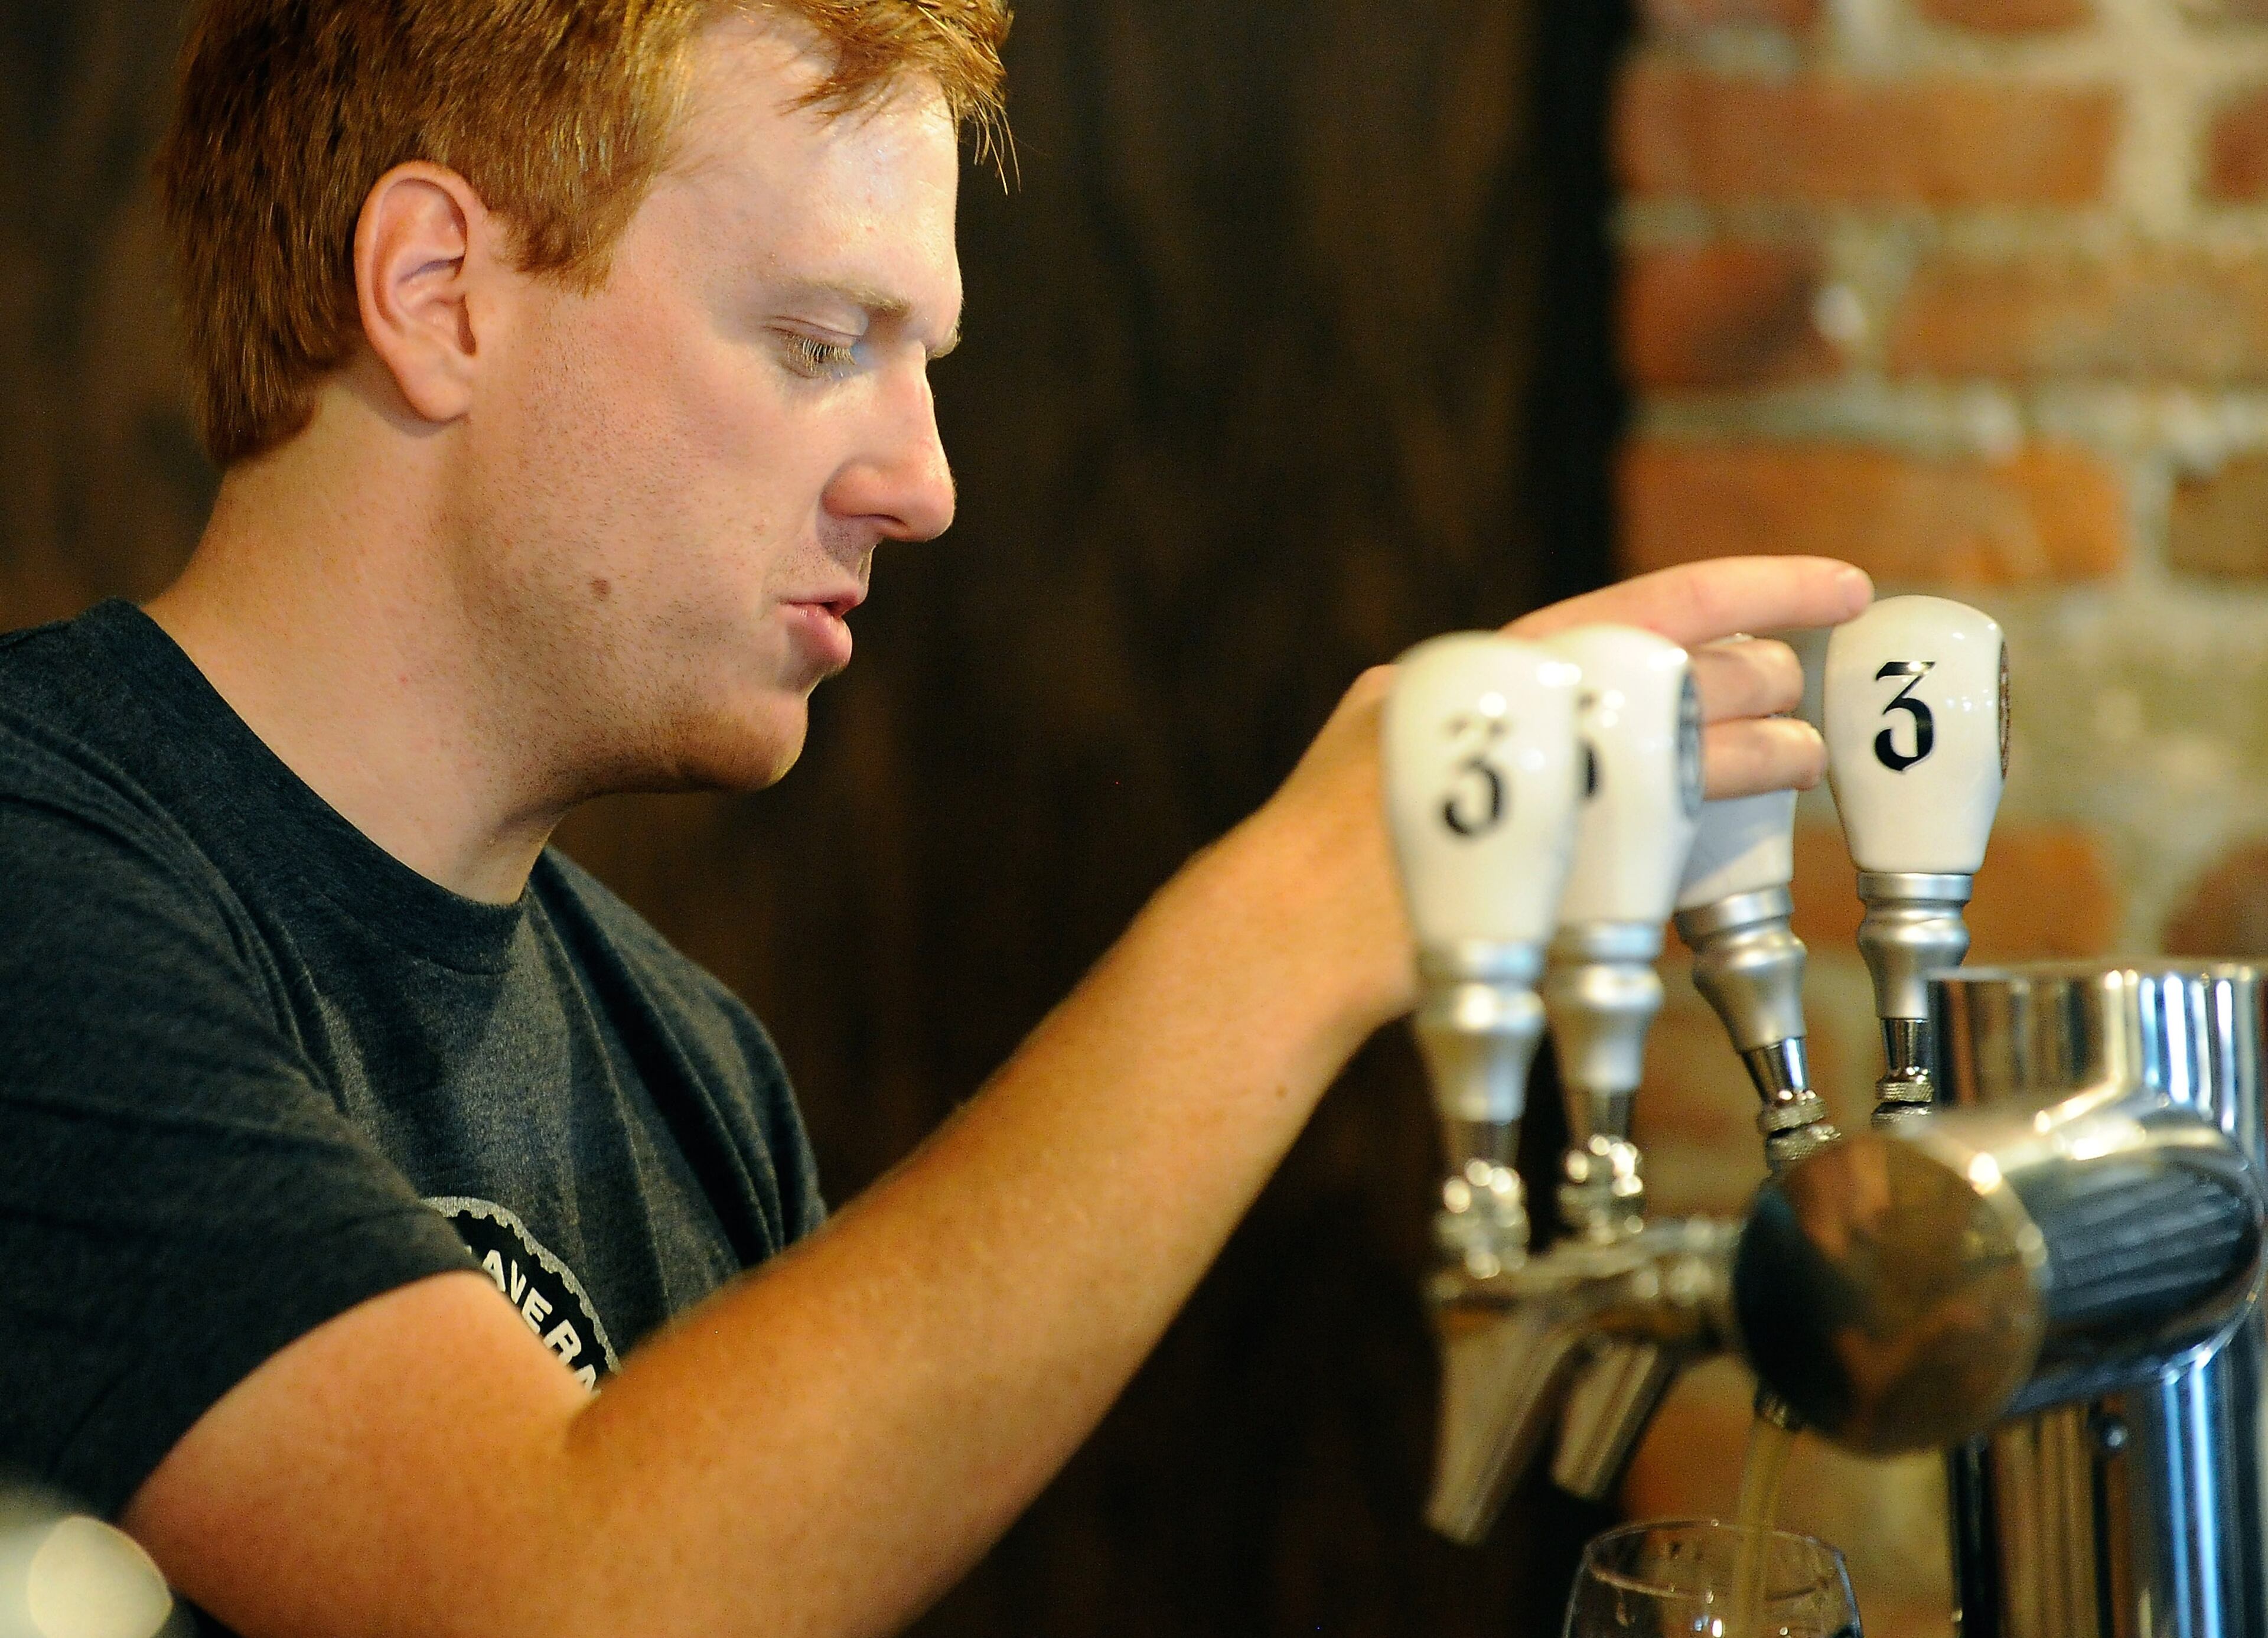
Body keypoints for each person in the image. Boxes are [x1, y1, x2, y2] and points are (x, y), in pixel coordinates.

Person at [0, 1, 1873, 1633]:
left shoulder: (691, 1070)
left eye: (923, 365)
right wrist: (1306, 914)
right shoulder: (39, 869)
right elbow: (551, 1589)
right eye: (821, 340)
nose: (922, 485)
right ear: (436, 294)